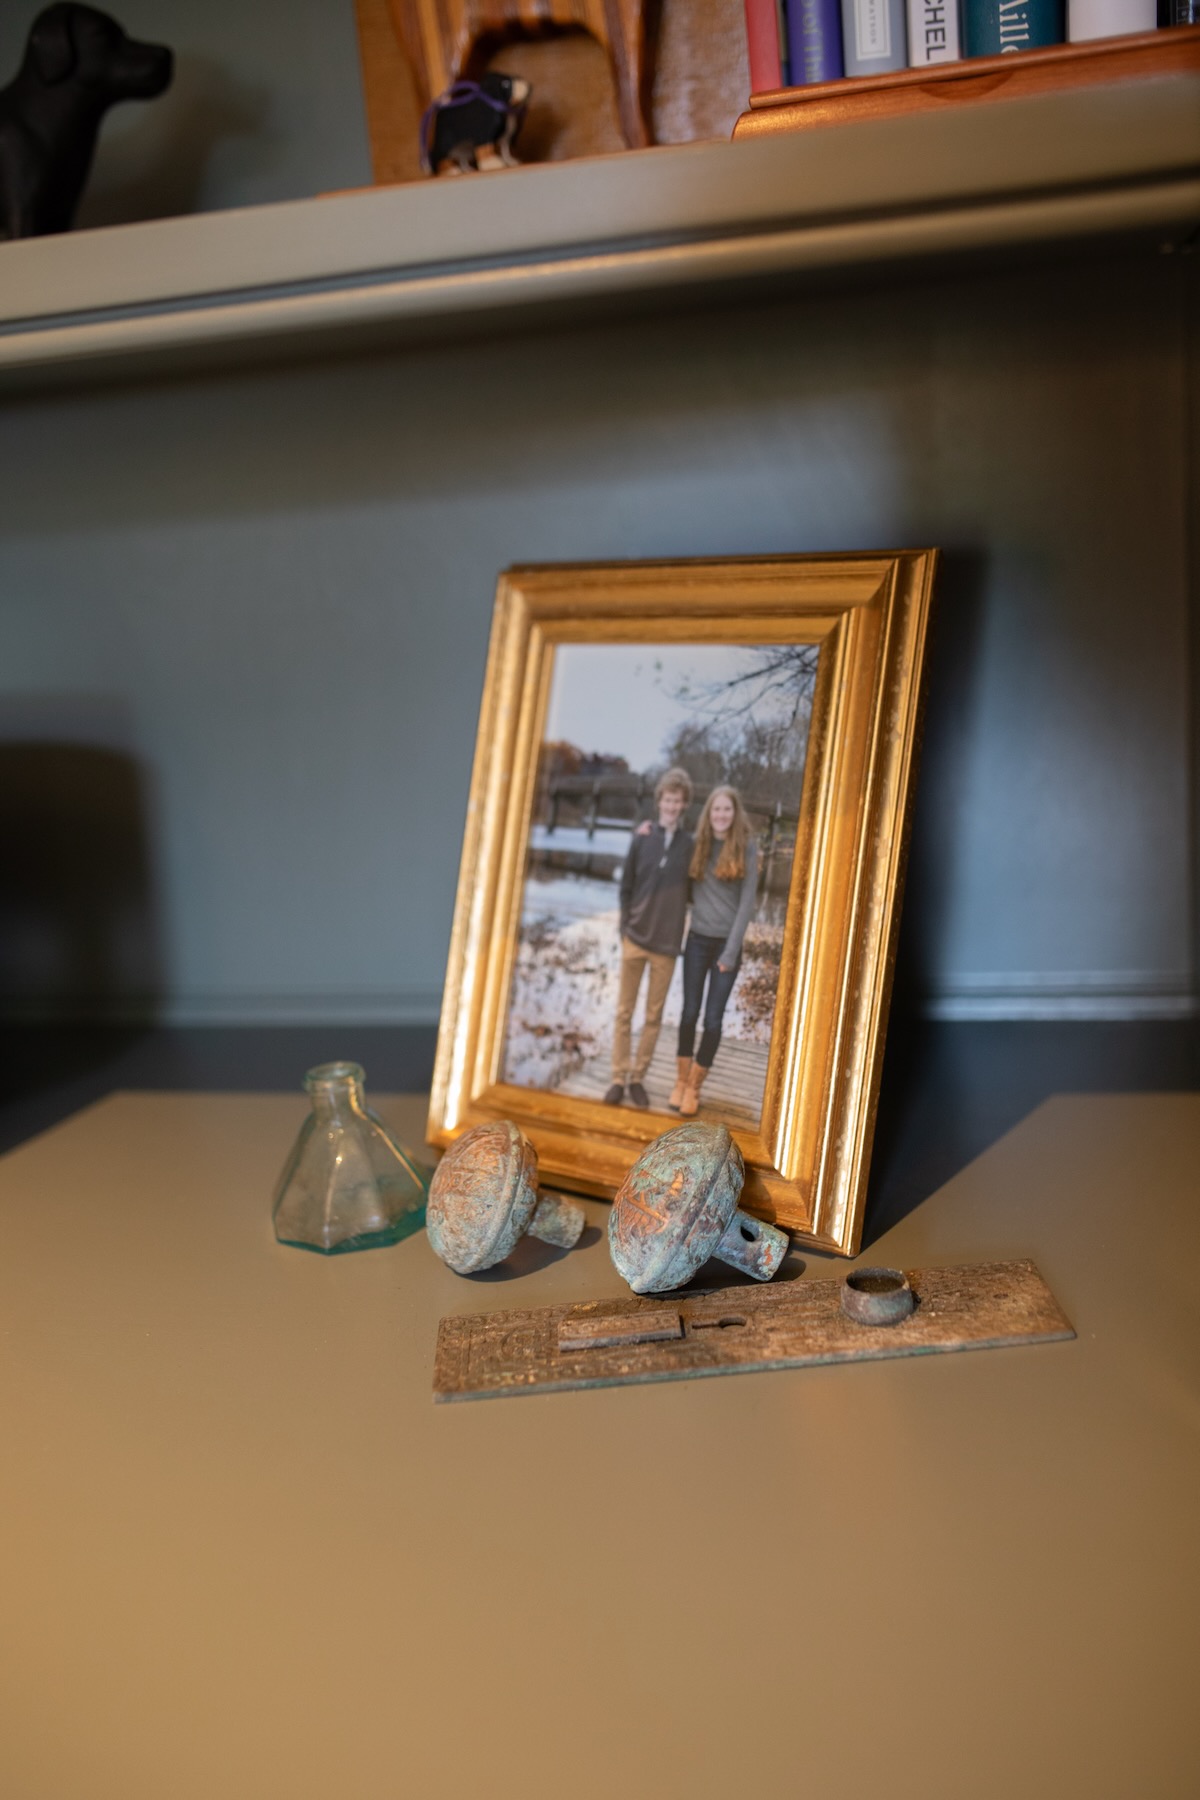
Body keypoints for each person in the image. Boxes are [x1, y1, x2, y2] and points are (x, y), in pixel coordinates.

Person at [606, 767, 694, 1109]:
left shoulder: (689, 846)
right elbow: (625, 886)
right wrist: (624, 927)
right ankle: (618, 1078)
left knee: (653, 1017)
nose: (671, 806)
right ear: (660, 801)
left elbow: (695, 889)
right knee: (624, 1012)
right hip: (635, 938)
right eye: (667, 799)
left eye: (677, 801)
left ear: (684, 804)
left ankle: (637, 1078)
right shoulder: (642, 838)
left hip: (666, 947)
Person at [672, 786, 758, 1117]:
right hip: (696, 940)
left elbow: (746, 905)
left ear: (735, 813)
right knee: (689, 1012)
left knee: (712, 1019)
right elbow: (671, 853)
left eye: (726, 809)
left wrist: (731, 952)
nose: (721, 815)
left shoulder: (746, 848)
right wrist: (648, 831)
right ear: (708, 813)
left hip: (726, 946)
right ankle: (680, 1081)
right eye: (716, 809)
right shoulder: (697, 844)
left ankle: (694, 1087)